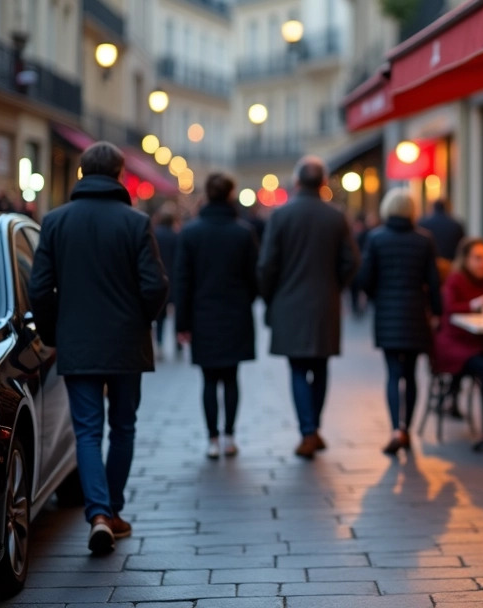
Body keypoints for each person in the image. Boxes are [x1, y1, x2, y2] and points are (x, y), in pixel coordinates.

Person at [28, 142, 168, 555]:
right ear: (121, 174)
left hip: (78, 341)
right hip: (126, 344)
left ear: (82, 174)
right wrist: (142, 319)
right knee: (123, 425)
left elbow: (39, 288)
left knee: (87, 430)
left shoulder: (54, 222)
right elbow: (156, 286)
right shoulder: (136, 223)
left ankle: (99, 514)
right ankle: (115, 510)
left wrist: (55, 333)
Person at [257, 156, 359, 459]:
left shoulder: (280, 216)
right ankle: (313, 428)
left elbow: (266, 265)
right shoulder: (336, 217)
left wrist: (269, 296)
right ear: (324, 183)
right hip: (325, 302)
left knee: (298, 368)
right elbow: (351, 261)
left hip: (289, 303)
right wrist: (336, 286)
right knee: (321, 365)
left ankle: (308, 430)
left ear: (297, 182)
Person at [174, 173, 259, 459]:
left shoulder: (191, 232)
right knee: (232, 378)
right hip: (235, 314)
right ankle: (230, 436)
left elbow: (182, 282)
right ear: (231, 195)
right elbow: (254, 278)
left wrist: (182, 323)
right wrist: (246, 299)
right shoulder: (243, 232)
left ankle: (212, 438)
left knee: (209, 380)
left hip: (203, 314)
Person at [359, 188, 442, 455]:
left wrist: (377, 298)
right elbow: (433, 281)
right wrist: (437, 312)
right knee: (412, 375)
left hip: (387, 314)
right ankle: (409, 429)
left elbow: (365, 278)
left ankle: (397, 429)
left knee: (393, 374)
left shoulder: (376, 238)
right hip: (416, 313)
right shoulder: (424, 240)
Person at [436, 237, 483, 445]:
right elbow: (450, 309)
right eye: (477, 258)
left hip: (482, 342)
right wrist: (482, 302)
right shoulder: (456, 279)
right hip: (456, 345)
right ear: (466, 259)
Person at [152, 205, 180, 357]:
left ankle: (160, 343)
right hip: (174, 279)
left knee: (160, 316)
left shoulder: (154, 235)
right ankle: (178, 342)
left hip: (160, 277)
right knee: (176, 313)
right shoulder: (177, 236)